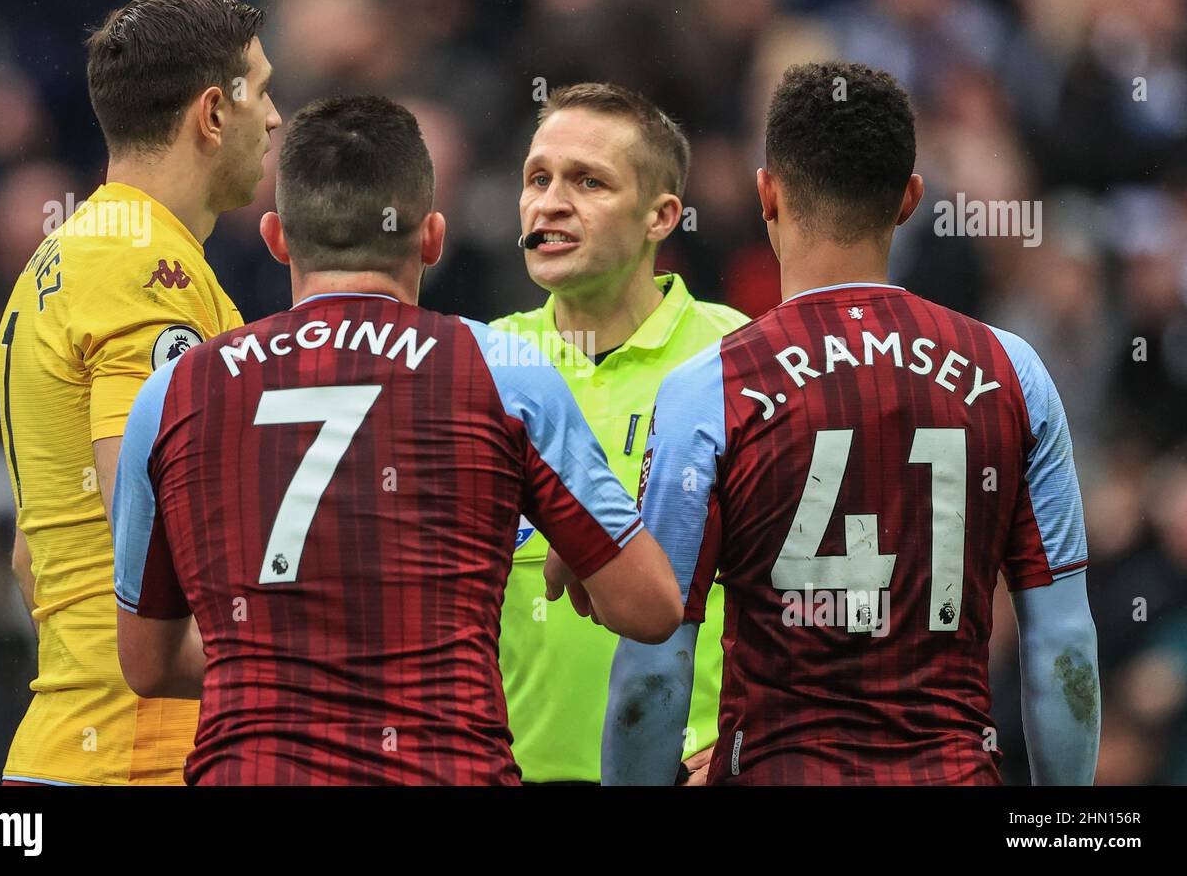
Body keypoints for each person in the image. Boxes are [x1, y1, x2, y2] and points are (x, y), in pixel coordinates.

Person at [111, 96, 682, 785]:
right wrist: (576, 540)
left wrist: (286, 651)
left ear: (277, 237)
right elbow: (650, 608)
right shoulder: (502, 369)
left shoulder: (174, 390)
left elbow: (147, 663)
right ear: (433, 237)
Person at [598, 62, 1101, 785]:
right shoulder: (1010, 371)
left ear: (766, 192)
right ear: (910, 200)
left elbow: (652, 673)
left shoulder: (709, 388)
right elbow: (1063, 648)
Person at [0, 0, 282, 785]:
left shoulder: (66, 255)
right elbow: (146, 500)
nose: (279, 118)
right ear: (214, 113)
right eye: (264, 90)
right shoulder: (143, 267)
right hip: (141, 755)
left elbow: (31, 556)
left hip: (78, 739)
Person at [491, 83, 748, 784]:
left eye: (588, 181)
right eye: (537, 178)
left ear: (661, 214)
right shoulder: (483, 366)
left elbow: (804, 590)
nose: (550, 202)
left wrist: (748, 743)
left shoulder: (740, 361)